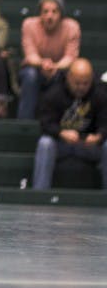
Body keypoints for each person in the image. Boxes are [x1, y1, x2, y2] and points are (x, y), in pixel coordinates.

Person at [31, 58, 106, 190]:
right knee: (45, 143)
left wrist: (98, 137)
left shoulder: (100, 94)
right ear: (69, 78)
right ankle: (40, 192)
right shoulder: (54, 93)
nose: (81, 88)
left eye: (85, 83)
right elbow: (45, 123)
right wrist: (61, 133)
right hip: (61, 144)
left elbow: (105, 123)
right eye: (77, 83)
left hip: (89, 145)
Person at [17, 0, 82, 120]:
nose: (49, 16)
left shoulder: (72, 27)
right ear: (40, 14)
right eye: (45, 11)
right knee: (30, 75)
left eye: (54, 11)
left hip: (61, 69)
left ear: (61, 14)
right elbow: (30, 54)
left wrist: (55, 66)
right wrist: (43, 64)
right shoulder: (29, 25)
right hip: (34, 68)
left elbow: (70, 57)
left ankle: (59, 123)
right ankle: (24, 123)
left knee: (65, 77)